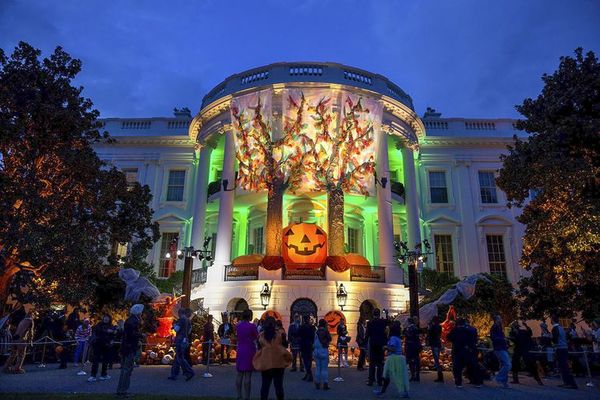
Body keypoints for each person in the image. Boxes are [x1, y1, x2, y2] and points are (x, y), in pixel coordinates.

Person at [253, 316, 292, 400]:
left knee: (265, 385)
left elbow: (259, 348)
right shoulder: (280, 334)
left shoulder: (261, 335)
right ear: (274, 324)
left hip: (266, 363)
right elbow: (285, 345)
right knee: (279, 386)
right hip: (278, 363)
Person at [374, 321, 409, 398]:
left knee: (393, 376)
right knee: (393, 376)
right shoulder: (397, 338)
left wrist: (385, 347)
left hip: (394, 358)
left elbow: (393, 348)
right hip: (398, 358)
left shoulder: (393, 338)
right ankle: (402, 392)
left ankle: (402, 392)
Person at [116, 304, 144, 398]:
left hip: (126, 347)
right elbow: (133, 334)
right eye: (141, 311)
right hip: (130, 347)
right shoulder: (134, 321)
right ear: (138, 312)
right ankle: (123, 391)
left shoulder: (129, 320)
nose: (142, 313)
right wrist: (141, 335)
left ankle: (120, 390)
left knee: (124, 369)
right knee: (127, 369)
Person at [508, 320, 543, 385]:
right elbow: (513, 340)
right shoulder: (512, 332)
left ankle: (538, 379)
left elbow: (530, 333)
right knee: (515, 362)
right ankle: (515, 379)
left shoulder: (523, 331)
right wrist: (512, 337)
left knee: (530, 363)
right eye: (513, 326)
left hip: (525, 348)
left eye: (515, 326)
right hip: (518, 348)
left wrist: (526, 326)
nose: (514, 328)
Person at [2, 308, 34, 374]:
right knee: (21, 355)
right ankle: (17, 368)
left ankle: (6, 367)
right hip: (21, 339)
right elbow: (31, 332)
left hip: (15, 339)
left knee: (13, 354)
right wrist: (30, 340)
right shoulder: (30, 321)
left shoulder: (22, 321)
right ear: (31, 315)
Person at [235, 309, 258, 400]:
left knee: (239, 374)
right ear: (250, 316)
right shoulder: (252, 326)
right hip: (249, 350)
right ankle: (247, 396)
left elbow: (238, 337)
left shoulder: (239, 326)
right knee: (248, 375)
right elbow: (257, 336)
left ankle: (239, 395)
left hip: (240, 349)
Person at [551, 315, 578, 389]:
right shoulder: (561, 328)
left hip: (560, 348)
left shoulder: (555, 329)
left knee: (564, 367)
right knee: (565, 366)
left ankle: (570, 383)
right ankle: (568, 382)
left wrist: (551, 339)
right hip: (564, 348)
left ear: (552, 320)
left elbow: (555, 339)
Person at [168, 308, 194, 381]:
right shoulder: (188, 320)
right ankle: (174, 374)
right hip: (185, 340)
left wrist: (174, 325)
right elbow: (189, 331)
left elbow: (176, 329)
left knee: (180, 358)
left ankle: (189, 372)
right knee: (177, 358)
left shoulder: (181, 320)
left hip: (180, 340)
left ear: (179, 313)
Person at [88, 314, 115, 382]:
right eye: (105, 317)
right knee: (96, 360)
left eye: (107, 318)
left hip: (107, 345)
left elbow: (113, 334)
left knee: (105, 360)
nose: (106, 319)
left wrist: (112, 340)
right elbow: (98, 330)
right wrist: (107, 331)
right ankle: (93, 375)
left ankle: (104, 374)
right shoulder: (99, 325)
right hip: (98, 344)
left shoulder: (111, 326)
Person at [447, 318, 473, 388]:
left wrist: (454, 340)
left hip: (456, 349)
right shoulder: (467, 331)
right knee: (463, 364)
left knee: (457, 365)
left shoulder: (455, 330)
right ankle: (471, 378)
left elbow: (448, 337)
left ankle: (458, 381)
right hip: (464, 350)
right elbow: (471, 340)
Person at [366, 308, 387, 386]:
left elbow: (367, 334)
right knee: (380, 364)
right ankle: (379, 381)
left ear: (373, 314)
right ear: (379, 314)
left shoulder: (370, 323)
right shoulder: (382, 322)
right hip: (381, 344)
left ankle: (371, 380)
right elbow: (387, 327)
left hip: (373, 344)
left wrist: (365, 343)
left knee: (372, 364)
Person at [490, 314, 512, 388]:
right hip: (499, 348)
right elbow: (493, 338)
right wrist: (503, 339)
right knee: (508, 364)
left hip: (503, 348)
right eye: (499, 318)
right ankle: (498, 378)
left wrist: (506, 342)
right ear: (496, 320)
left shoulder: (499, 327)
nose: (501, 319)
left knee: (504, 365)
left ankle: (504, 382)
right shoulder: (494, 328)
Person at [313, 319, 332, 390]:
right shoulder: (325, 331)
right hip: (323, 350)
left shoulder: (316, 331)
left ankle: (317, 383)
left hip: (317, 351)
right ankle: (325, 383)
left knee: (318, 368)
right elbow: (330, 339)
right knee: (324, 369)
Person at [464, 318, 483, 387]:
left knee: (470, 364)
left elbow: (465, 339)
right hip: (473, 348)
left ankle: (474, 380)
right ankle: (477, 380)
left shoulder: (466, 329)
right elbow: (475, 339)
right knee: (474, 364)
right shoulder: (473, 329)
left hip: (468, 348)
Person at [298, 314, 316, 382]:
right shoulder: (312, 327)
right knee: (309, 360)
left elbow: (298, 334)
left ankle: (309, 374)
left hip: (304, 345)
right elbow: (313, 336)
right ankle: (307, 374)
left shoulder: (302, 327)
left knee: (305, 361)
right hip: (310, 345)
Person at [404, 317, 422, 382]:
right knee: (416, 360)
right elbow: (417, 337)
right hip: (416, 346)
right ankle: (417, 375)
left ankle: (413, 375)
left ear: (409, 322)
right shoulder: (416, 328)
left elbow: (408, 337)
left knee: (411, 361)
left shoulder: (408, 328)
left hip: (410, 347)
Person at [427, 316, 443, 382]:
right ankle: (440, 376)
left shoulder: (433, 327)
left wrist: (429, 327)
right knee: (437, 358)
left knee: (436, 359)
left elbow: (430, 333)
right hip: (438, 343)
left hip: (434, 344)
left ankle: (440, 376)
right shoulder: (439, 326)